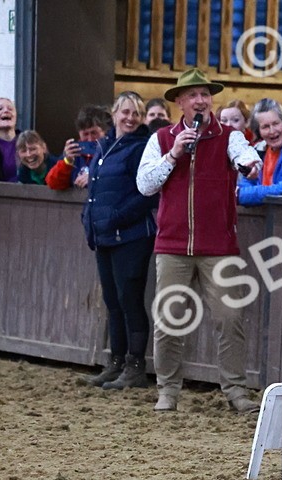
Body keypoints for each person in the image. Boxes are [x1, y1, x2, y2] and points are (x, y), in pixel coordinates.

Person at [135, 68, 262, 414]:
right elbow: (145, 184)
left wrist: (250, 164)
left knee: (230, 318)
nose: (201, 100)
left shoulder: (229, 136)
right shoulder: (162, 139)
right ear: (179, 102)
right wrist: (174, 153)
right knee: (169, 320)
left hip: (218, 246)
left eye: (205, 94)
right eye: (193, 95)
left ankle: (235, 390)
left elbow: (247, 156)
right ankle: (168, 390)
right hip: (173, 246)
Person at [80, 91, 160, 390]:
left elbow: (147, 193)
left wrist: (116, 217)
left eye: (135, 113)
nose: (130, 118)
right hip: (104, 236)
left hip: (131, 236)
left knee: (130, 300)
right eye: (125, 112)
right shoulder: (105, 145)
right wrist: (89, 218)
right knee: (112, 301)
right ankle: (115, 361)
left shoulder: (140, 148)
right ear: (114, 114)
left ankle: (135, 365)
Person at [46, 105, 112, 190]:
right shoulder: (75, 152)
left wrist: (94, 178)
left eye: (94, 133)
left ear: (105, 132)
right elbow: (53, 183)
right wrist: (67, 162)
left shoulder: (113, 152)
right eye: (85, 134)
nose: (90, 139)